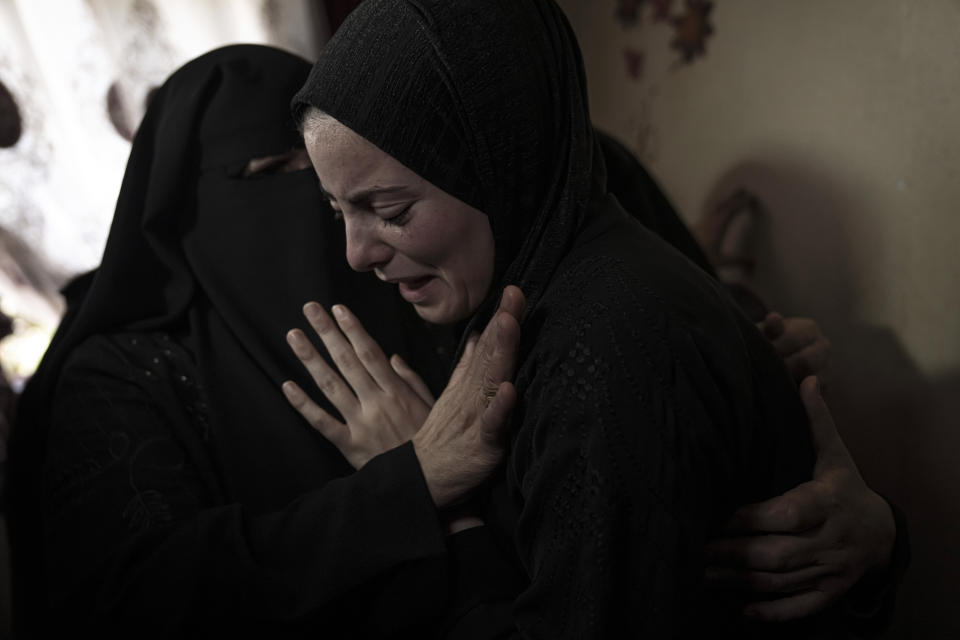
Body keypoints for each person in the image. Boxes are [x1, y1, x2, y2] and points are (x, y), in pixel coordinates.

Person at [5, 38, 901, 640]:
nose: (352, 249)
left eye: (369, 203)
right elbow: (129, 602)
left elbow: (641, 526)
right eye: (266, 179)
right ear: (187, 206)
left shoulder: (470, 292)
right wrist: (410, 486)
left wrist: (864, 529)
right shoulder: (126, 377)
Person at [285, 0, 904, 636]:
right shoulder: (527, 292)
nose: (357, 254)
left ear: (496, 164)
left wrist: (445, 517)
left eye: (388, 208)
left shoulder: (604, 346)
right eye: (337, 211)